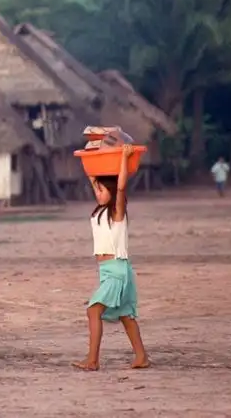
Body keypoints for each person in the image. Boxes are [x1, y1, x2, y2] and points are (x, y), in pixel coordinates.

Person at [73, 144, 150, 371]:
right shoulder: (100, 211)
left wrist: (124, 158)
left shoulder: (117, 212)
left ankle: (92, 360)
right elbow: (92, 175)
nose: (97, 194)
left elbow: (122, 186)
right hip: (109, 270)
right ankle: (141, 357)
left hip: (117, 269)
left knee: (93, 310)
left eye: (101, 191)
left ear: (111, 191)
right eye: (96, 191)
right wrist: (93, 151)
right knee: (126, 316)